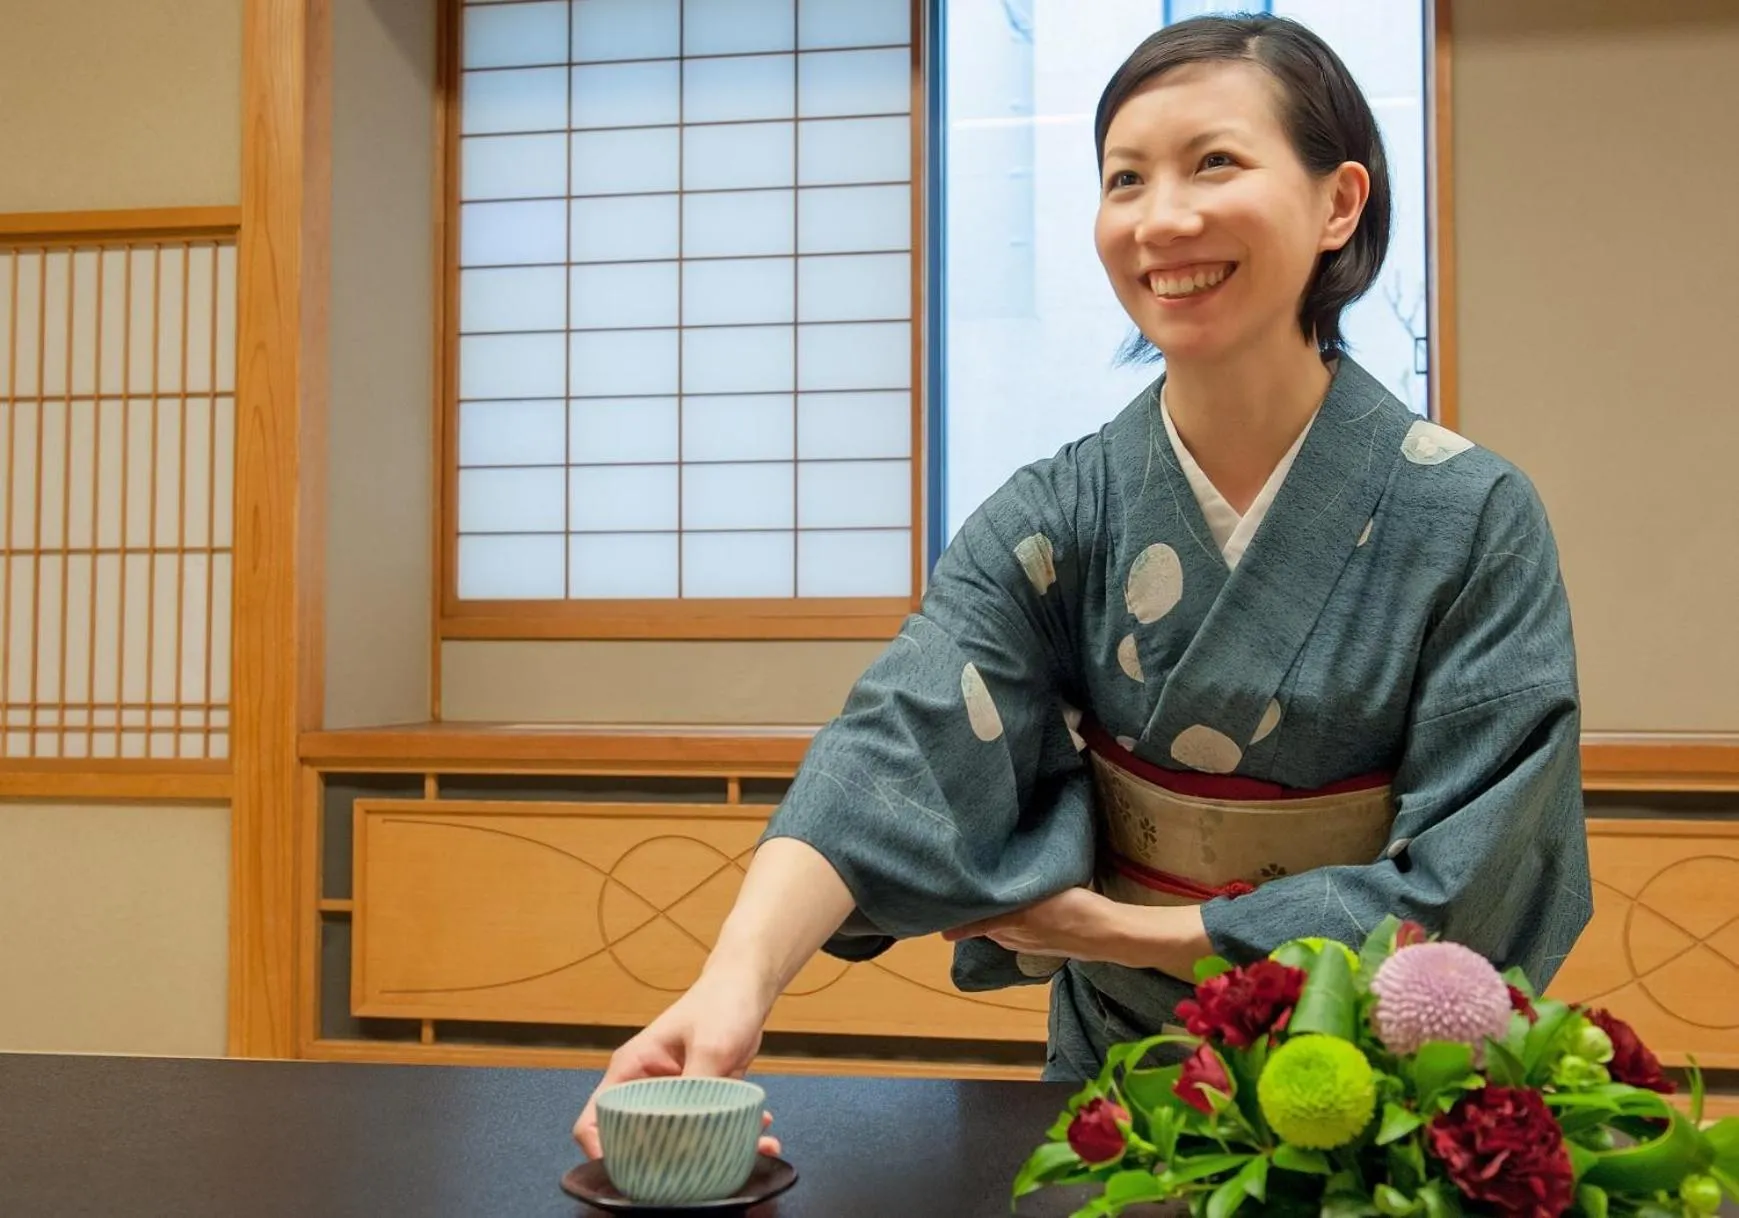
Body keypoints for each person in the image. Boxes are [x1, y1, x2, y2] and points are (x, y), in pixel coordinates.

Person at [574, 13, 1592, 1158]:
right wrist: (733, 984)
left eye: (1213, 162)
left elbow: (1474, 891)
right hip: (1123, 1078)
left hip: (1390, 1089)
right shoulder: (1064, 510)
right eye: (1123, 178)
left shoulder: (1467, 515)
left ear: (1337, 203)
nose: (1161, 220)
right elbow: (899, 738)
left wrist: (1124, 929)